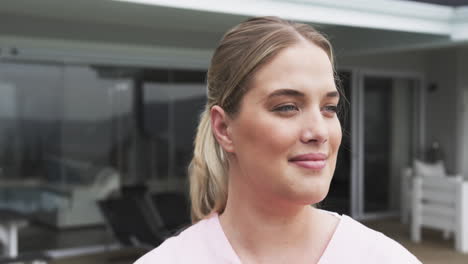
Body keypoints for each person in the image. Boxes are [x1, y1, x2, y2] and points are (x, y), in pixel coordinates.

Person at [135, 16, 421, 264]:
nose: (319, 131)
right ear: (224, 128)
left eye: (329, 108)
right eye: (287, 107)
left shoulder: (384, 258)